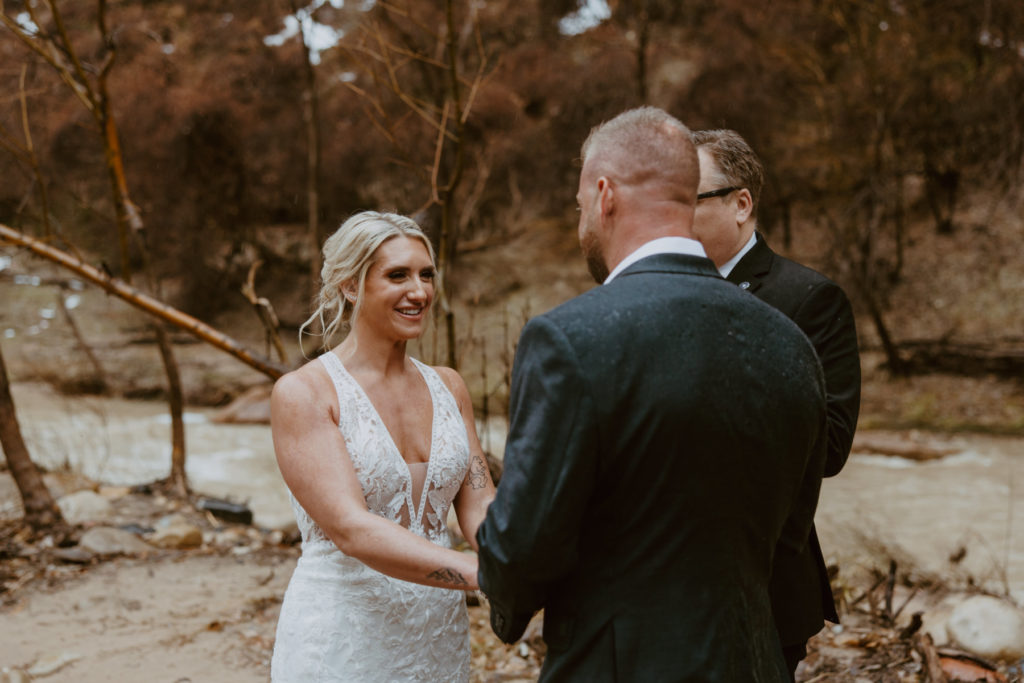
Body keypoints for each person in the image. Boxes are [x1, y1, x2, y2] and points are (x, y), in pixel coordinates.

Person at [475, 107, 829, 681]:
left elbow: (523, 551)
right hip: (756, 663)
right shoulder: (789, 342)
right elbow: (790, 529)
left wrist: (503, 586)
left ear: (605, 195)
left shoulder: (570, 339)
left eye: (579, 205)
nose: (581, 220)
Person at [269, 211, 496, 682]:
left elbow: (481, 506)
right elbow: (352, 528)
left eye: (426, 274)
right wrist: (485, 575)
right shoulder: (306, 394)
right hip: (343, 638)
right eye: (398, 275)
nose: (420, 292)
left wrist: (520, 557)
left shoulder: (449, 388)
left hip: (437, 637)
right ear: (351, 286)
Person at [691, 128, 862, 678]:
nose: (671, 216)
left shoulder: (810, 299)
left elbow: (831, 445)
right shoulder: (654, 293)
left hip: (763, 576)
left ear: (741, 203)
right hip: (662, 582)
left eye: (689, 199)